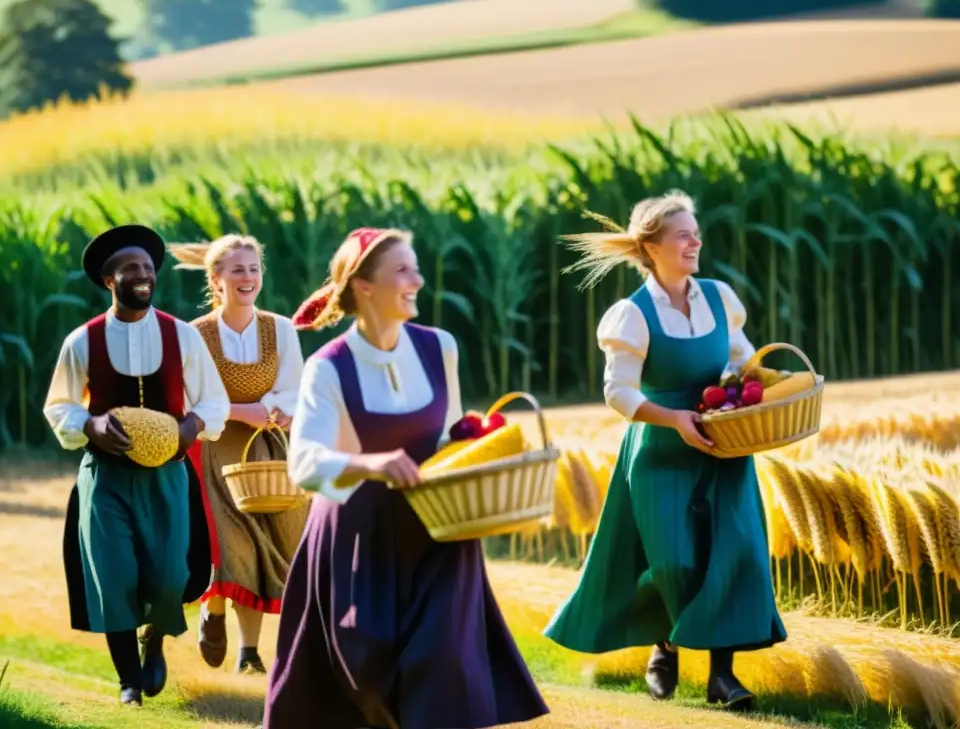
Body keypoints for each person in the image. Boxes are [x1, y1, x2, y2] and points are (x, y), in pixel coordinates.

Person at [261, 226, 549, 729]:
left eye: (415, 267)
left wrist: (484, 451)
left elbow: (451, 441)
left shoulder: (442, 347)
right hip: (357, 537)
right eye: (403, 270)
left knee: (443, 668)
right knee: (366, 676)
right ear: (363, 286)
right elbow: (304, 461)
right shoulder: (327, 368)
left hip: (437, 529)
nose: (417, 279)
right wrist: (370, 464)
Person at [543, 192, 787, 712]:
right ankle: (666, 643)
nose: (695, 241)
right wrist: (674, 417)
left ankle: (723, 677)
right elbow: (619, 392)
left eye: (696, 232)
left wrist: (754, 389)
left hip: (725, 442)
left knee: (731, 554)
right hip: (658, 449)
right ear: (652, 247)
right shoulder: (631, 315)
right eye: (683, 234)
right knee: (673, 560)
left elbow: (743, 364)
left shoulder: (720, 298)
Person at [43, 224, 230, 707]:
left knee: (170, 576)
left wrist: (188, 428)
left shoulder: (182, 335)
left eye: (148, 268)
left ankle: (156, 638)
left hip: (167, 477)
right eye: (131, 269)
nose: (143, 276)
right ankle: (128, 679)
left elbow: (215, 402)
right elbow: (59, 405)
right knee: (114, 575)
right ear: (110, 281)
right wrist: (91, 425)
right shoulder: (81, 341)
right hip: (106, 479)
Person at [167, 235, 308, 675]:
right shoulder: (195, 335)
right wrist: (247, 409)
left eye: (253, 269)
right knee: (231, 544)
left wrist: (280, 409)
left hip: (266, 451)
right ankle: (216, 611)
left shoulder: (280, 328)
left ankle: (249, 653)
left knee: (272, 542)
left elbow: (293, 386)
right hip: (212, 450)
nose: (247, 278)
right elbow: (191, 399)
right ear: (216, 280)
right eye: (237, 270)